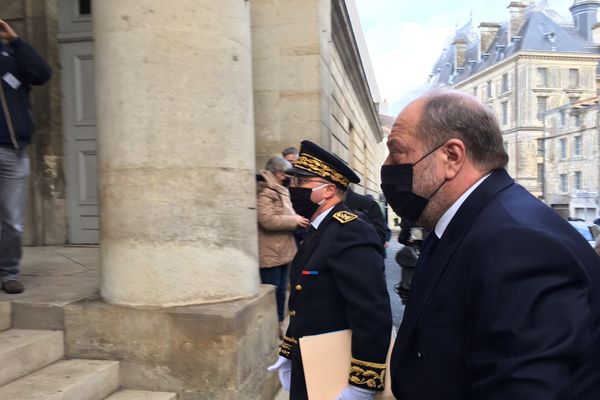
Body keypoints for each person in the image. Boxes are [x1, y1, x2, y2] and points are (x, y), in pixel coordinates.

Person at [381, 89, 600, 399]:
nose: (388, 165)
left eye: (397, 151)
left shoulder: (519, 244)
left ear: (452, 157)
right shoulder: (459, 224)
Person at [268, 140, 392, 400]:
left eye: (301, 183)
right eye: (292, 182)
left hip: (335, 366)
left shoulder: (351, 231)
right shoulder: (317, 230)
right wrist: (289, 352)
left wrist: (362, 383)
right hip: (311, 359)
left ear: (328, 190)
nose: (294, 189)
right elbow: (304, 299)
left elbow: (371, 312)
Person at [0, 20, 52, 294]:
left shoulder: (12, 55)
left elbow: (42, 74)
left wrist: (15, 40)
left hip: (12, 149)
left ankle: (8, 272)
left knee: (13, 220)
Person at [256, 156, 309, 333]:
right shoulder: (266, 191)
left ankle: (279, 324)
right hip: (271, 251)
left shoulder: (279, 188)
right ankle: (273, 328)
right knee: (273, 293)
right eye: (286, 173)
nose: (288, 177)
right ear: (279, 173)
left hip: (282, 250)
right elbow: (266, 220)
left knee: (281, 293)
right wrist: (293, 220)